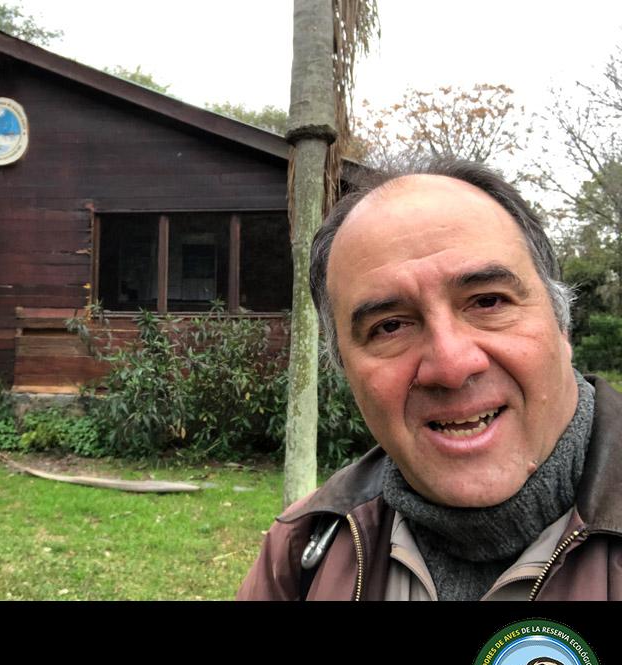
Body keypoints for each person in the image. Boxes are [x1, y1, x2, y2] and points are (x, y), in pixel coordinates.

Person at [237, 156, 622, 601]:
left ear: (562, 325)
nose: (452, 366)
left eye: (488, 302)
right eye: (390, 326)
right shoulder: (301, 552)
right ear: (346, 371)